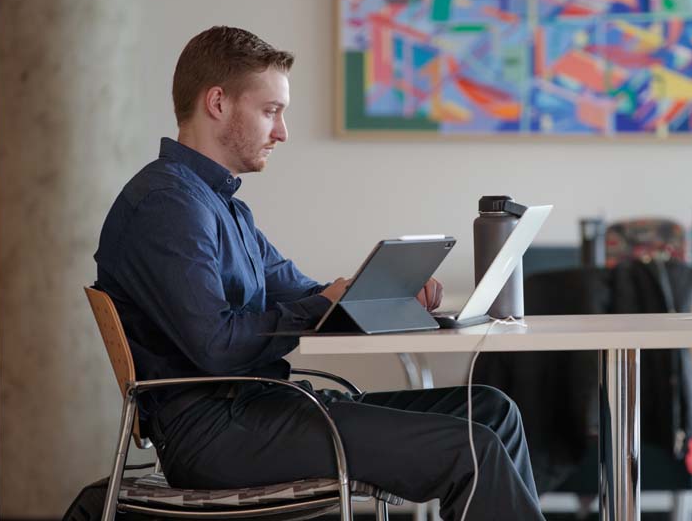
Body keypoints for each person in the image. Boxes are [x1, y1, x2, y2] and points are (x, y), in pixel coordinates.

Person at [94, 26, 545, 520]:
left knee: (491, 409)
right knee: (469, 448)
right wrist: (325, 301)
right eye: (271, 112)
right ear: (217, 103)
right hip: (218, 433)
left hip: (263, 410)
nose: (282, 132)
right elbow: (215, 343)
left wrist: (377, 293)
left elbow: (305, 291)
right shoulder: (168, 205)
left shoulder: (220, 206)